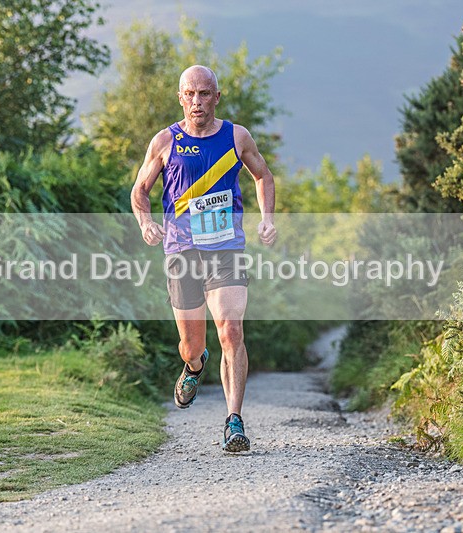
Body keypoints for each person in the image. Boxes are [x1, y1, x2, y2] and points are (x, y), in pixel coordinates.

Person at [131, 64, 277, 453]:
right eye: (190, 94)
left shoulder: (236, 136)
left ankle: (234, 421)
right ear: (180, 97)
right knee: (191, 345)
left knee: (231, 332)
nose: (197, 101)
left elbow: (262, 176)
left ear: (217, 96)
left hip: (226, 246)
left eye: (204, 93)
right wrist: (146, 223)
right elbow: (140, 190)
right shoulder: (165, 141)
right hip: (181, 250)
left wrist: (267, 220)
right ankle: (195, 366)